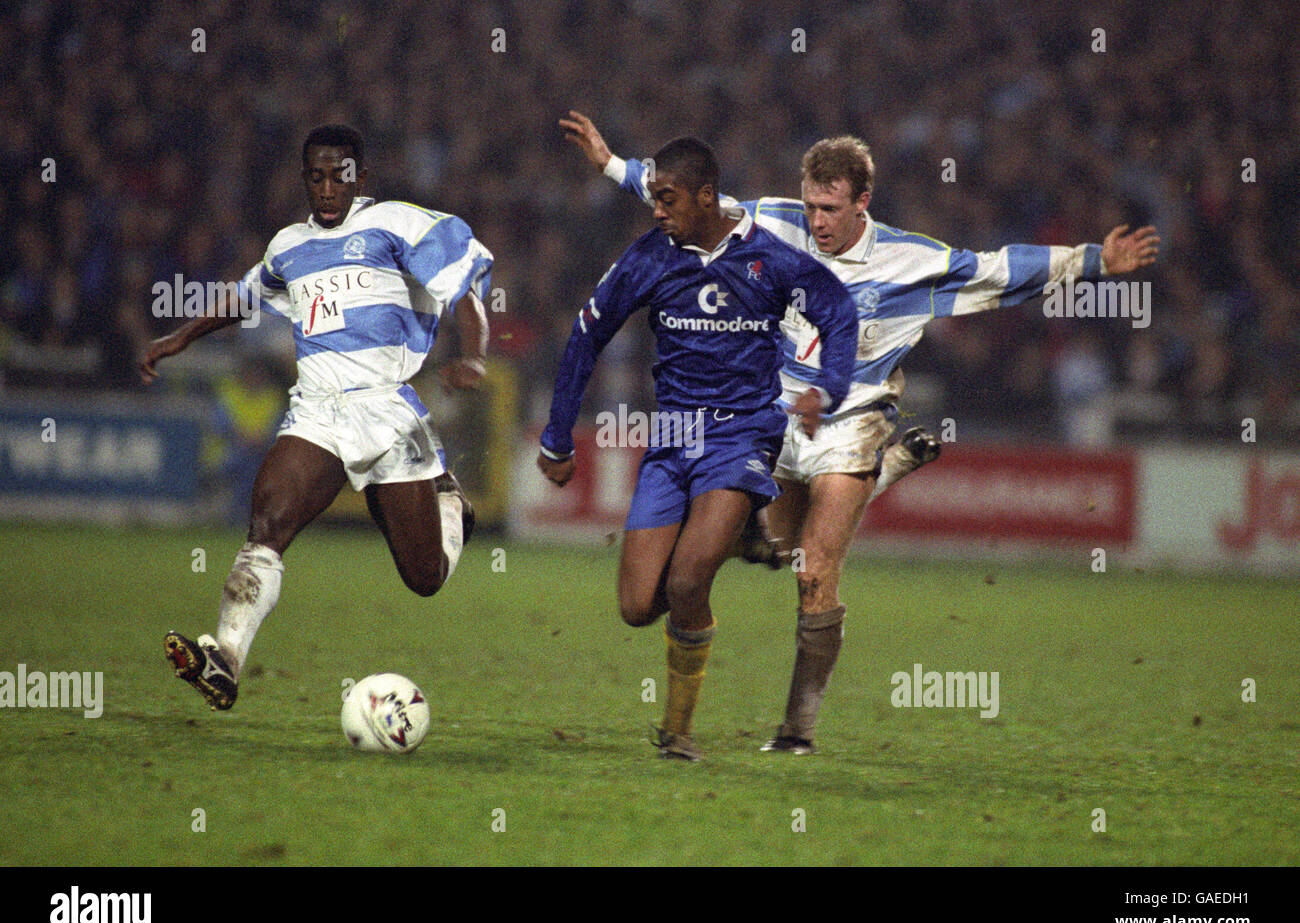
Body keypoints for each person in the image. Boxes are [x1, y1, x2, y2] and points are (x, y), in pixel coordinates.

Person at [562, 111, 1159, 753]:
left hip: (854, 421)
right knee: (775, 547)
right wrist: (612, 165)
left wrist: (1095, 259)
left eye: (829, 208)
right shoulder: (774, 223)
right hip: (772, 418)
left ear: (861, 203)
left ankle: (797, 731)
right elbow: (692, 200)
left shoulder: (911, 260)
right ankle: (883, 476)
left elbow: (999, 269)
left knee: (814, 572)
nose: (816, 220)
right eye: (811, 204)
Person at [139, 124, 491, 711]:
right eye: (316, 177)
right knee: (267, 525)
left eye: (339, 176)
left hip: (386, 410)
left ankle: (452, 509)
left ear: (360, 177)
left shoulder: (397, 223)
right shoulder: (288, 245)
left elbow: (467, 289)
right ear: (305, 179)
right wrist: (181, 336)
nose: (328, 188)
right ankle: (226, 658)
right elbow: (247, 294)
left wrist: (476, 356)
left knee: (424, 577)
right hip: (317, 412)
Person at [537, 136, 857, 760]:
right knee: (635, 607)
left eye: (668, 198)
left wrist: (829, 387)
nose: (656, 209)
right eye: (654, 196)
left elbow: (838, 309)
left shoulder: (768, 259)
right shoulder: (649, 258)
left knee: (686, 582)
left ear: (706, 197)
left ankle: (677, 733)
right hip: (672, 437)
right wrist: (556, 436)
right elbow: (585, 336)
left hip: (741, 433)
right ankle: (739, 538)